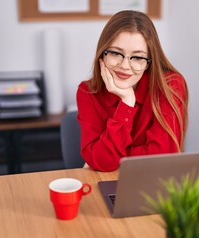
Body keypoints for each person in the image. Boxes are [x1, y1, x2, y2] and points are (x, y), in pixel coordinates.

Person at [76, 10, 189, 172]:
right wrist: (127, 103)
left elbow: (164, 156)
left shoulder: (170, 85)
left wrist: (107, 157)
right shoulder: (87, 92)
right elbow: (103, 162)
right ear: (102, 55)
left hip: (154, 181)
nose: (125, 66)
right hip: (108, 182)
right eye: (115, 53)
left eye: (138, 57)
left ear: (149, 62)